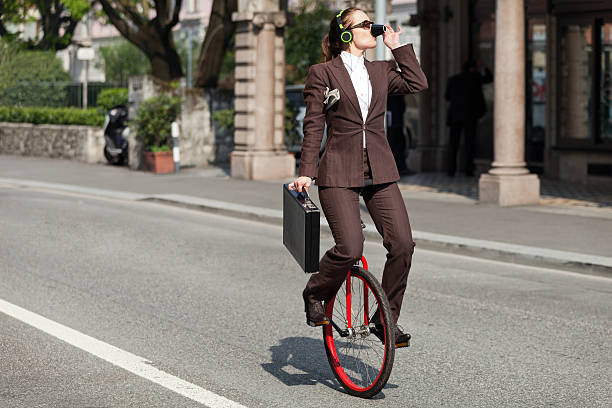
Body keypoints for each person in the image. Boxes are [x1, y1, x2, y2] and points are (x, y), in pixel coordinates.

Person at [288, 7, 428, 348]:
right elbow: (314, 125)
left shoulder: (380, 71)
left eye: (372, 23)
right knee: (350, 248)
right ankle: (315, 292)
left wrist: (398, 47)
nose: (374, 29)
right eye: (367, 24)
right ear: (346, 34)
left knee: (403, 245)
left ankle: (385, 319)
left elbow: (417, 82)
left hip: (380, 170)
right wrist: (306, 171)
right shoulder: (322, 73)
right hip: (337, 172)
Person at [444, 59, 493, 177]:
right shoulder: (475, 78)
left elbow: (447, 96)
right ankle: (468, 170)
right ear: (473, 69)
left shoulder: (453, 80)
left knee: (453, 143)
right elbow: (489, 78)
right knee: (469, 143)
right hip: (470, 116)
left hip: (455, 116)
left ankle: (451, 170)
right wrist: (485, 67)